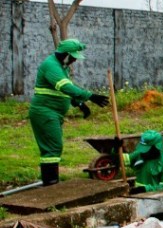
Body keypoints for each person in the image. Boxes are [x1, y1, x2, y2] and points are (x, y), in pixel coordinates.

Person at [28, 39, 110, 185]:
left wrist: (79, 103)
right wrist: (90, 96)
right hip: (45, 112)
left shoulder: (61, 67)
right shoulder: (51, 65)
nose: (74, 60)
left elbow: (63, 91)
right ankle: (51, 184)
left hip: (53, 113)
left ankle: (51, 183)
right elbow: (64, 87)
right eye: (72, 57)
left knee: (53, 147)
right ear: (65, 54)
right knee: (52, 148)